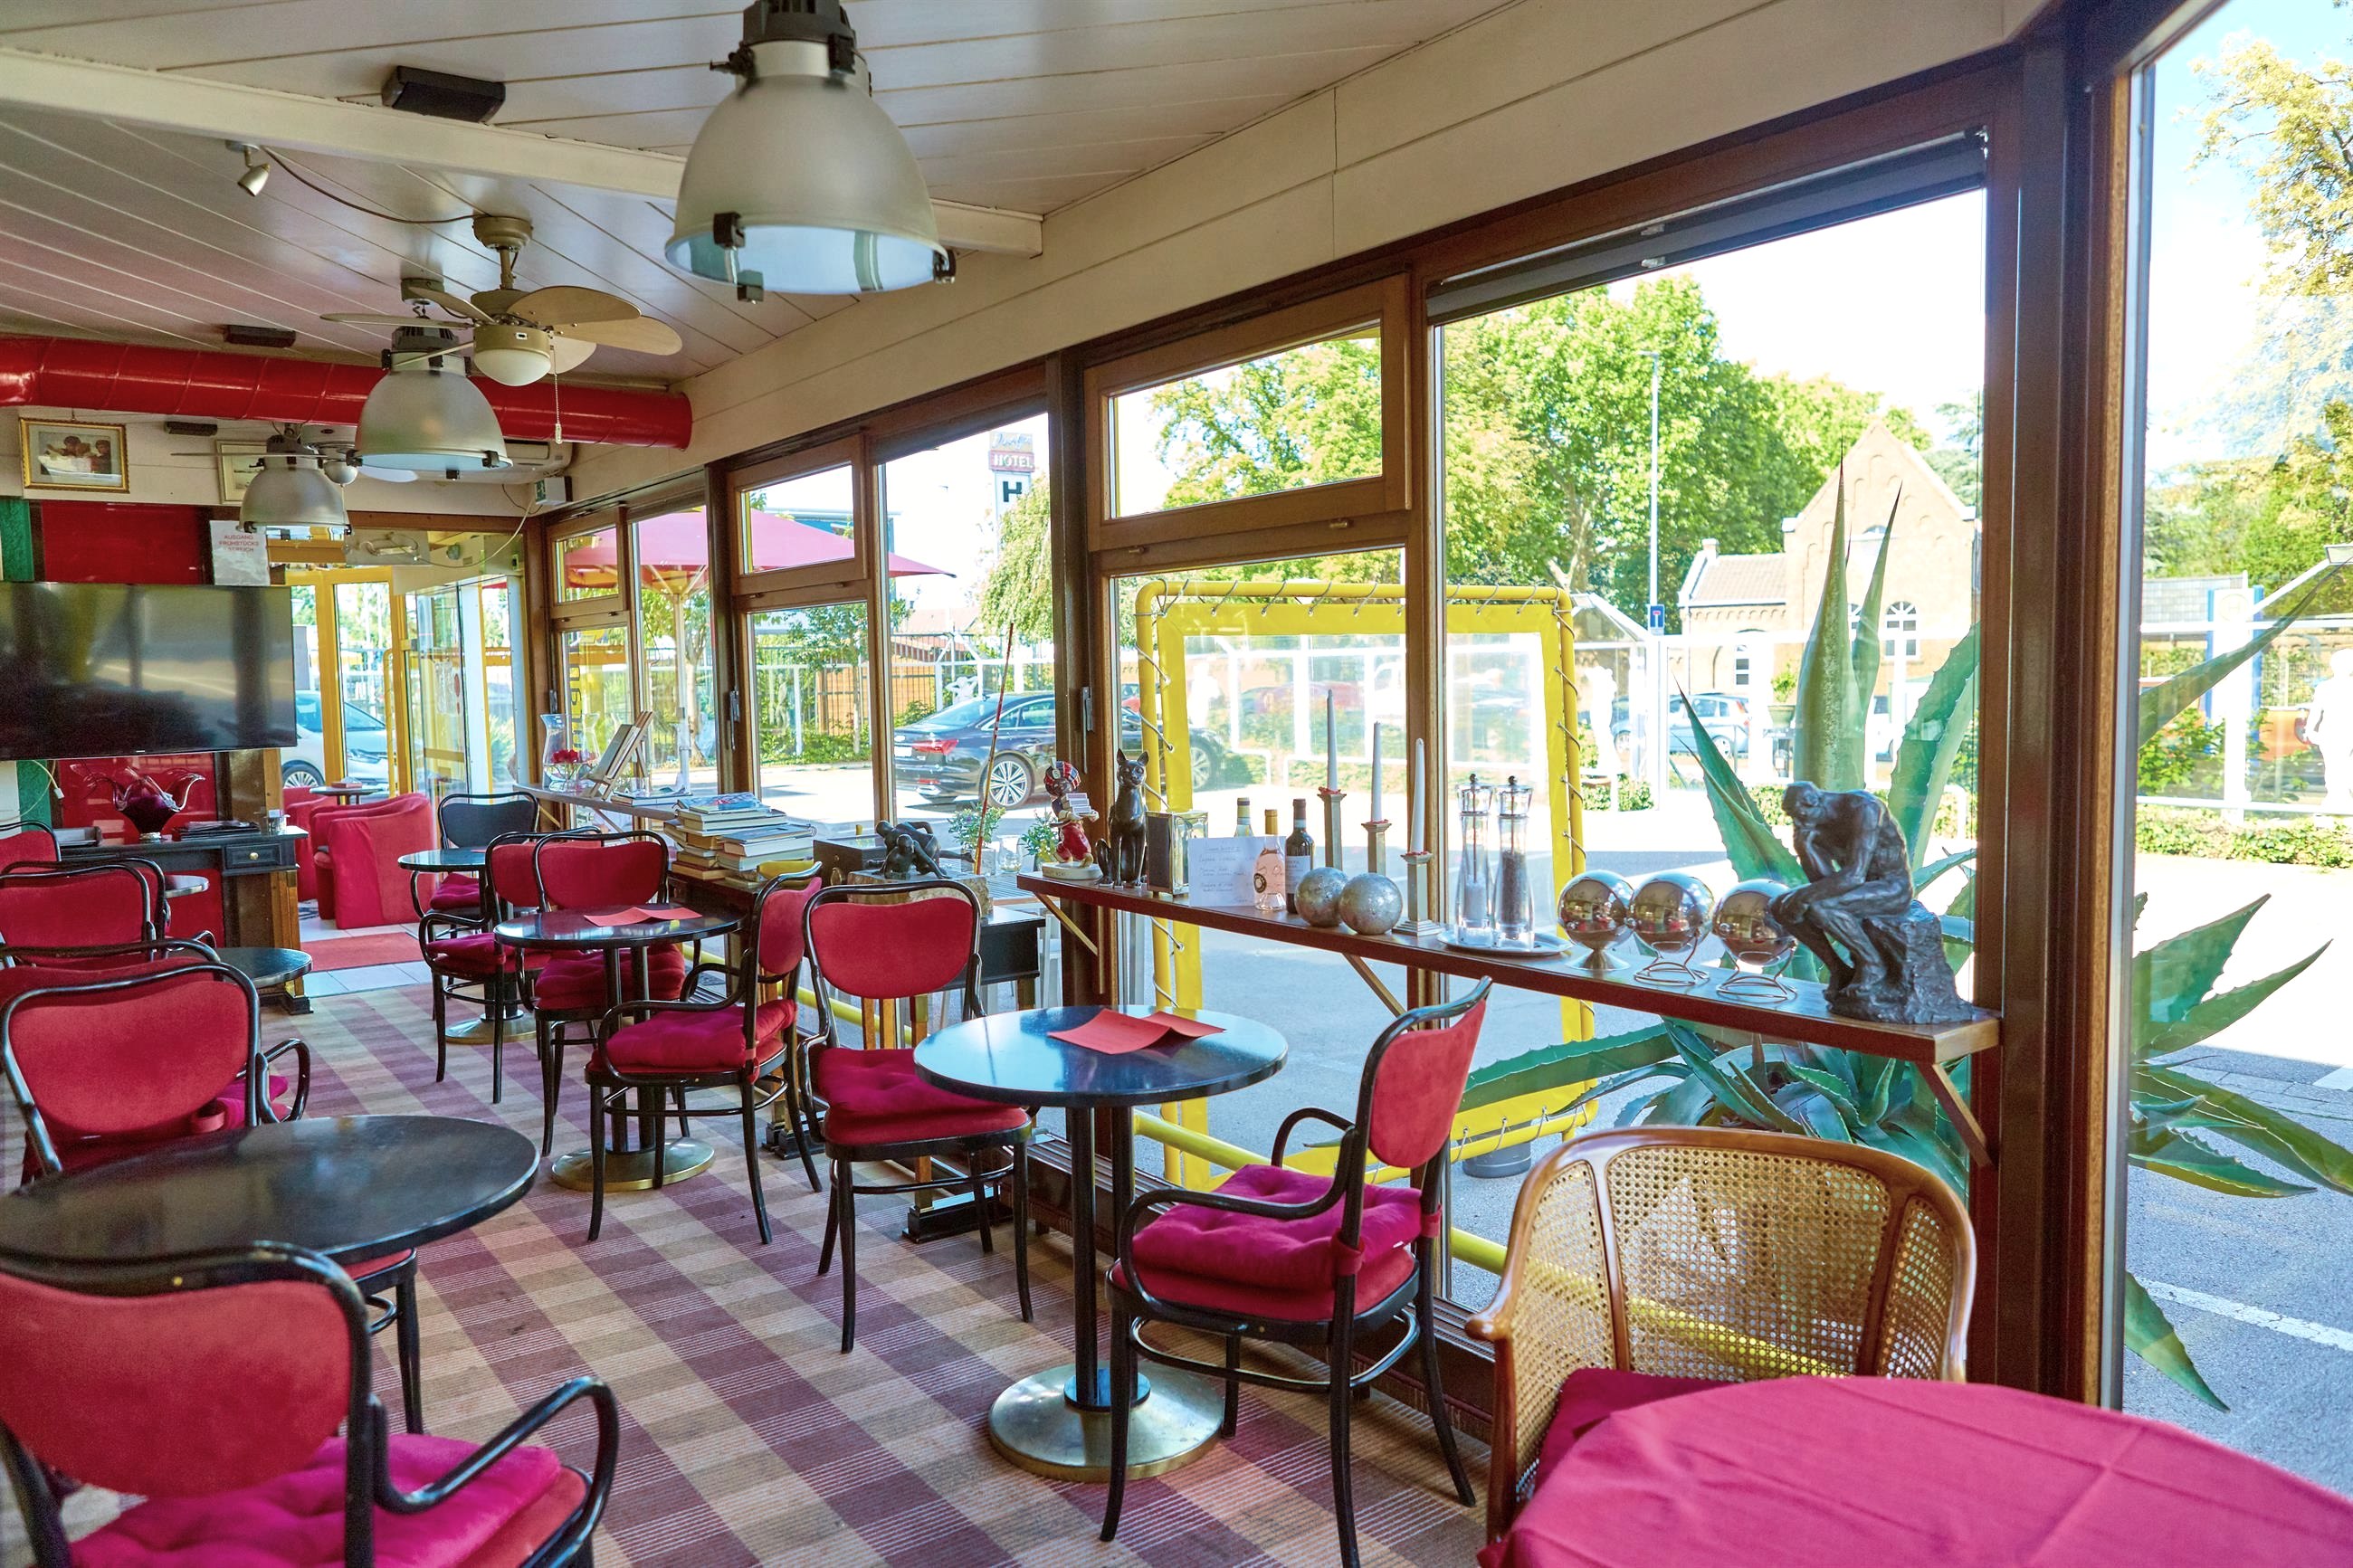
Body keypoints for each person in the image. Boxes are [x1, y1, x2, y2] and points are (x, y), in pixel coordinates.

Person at [2305, 648, 2353, 812]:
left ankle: (2343, 798)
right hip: (2331, 732)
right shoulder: (2324, 687)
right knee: (2333, 766)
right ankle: (2337, 799)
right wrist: (2310, 730)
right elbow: (2316, 710)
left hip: (2348, 732)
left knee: (2346, 766)